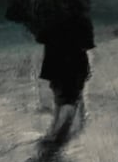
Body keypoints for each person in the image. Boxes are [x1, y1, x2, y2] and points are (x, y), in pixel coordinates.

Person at [37, 12, 94, 144]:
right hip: (75, 63)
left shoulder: (49, 16)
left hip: (55, 62)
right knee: (72, 96)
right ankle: (64, 129)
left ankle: (59, 132)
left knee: (62, 98)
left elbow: (41, 37)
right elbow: (88, 42)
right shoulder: (80, 16)